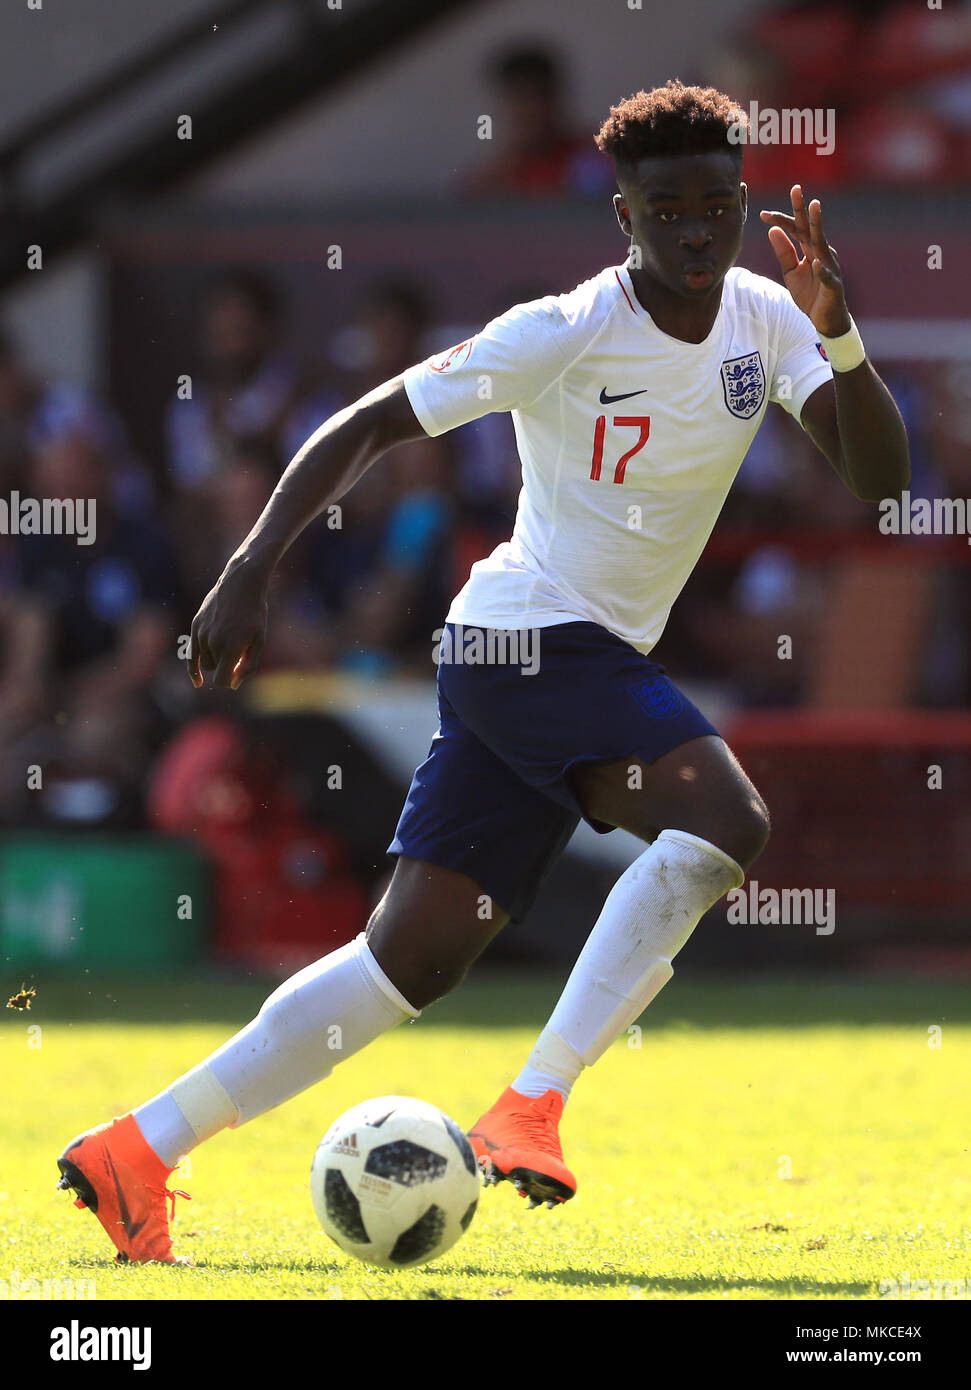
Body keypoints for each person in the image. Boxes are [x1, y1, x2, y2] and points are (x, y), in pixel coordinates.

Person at [56, 81, 909, 1263]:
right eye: (668, 209)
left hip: (571, 661)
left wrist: (840, 332)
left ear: (741, 201)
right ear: (624, 217)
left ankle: (136, 1149)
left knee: (401, 964)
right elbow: (362, 423)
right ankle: (535, 1104)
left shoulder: (766, 319)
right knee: (725, 817)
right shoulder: (561, 330)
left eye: (717, 203)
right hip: (526, 639)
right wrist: (251, 564)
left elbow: (877, 478)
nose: (697, 229)